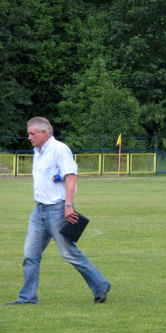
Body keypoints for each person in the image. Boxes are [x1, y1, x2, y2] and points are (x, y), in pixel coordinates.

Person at [5, 117, 111, 305]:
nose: (29, 137)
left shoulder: (59, 150)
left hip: (57, 209)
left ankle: (100, 285)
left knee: (69, 253)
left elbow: (71, 177)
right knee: (30, 256)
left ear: (44, 133)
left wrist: (68, 206)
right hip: (39, 211)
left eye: (32, 133)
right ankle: (27, 298)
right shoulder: (38, 151)